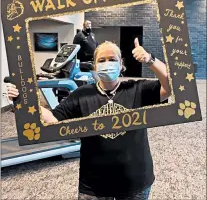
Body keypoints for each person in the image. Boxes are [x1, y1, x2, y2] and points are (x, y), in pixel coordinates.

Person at [7, 38, 170, 200]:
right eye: (102, 60)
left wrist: (150, 60)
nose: (107, 63)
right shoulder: (81, 94)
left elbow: (171, 86)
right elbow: (52, 119)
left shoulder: (137, 89)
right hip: (94, 183)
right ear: (95, 66)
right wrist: (22, 102)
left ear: (121, 65)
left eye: (112, 59)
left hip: (135, 180)